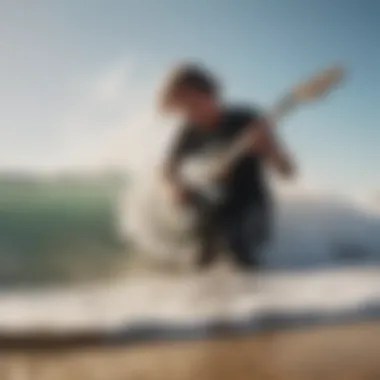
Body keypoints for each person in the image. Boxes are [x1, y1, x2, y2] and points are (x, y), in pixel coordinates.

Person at [159, 62, 296, 270]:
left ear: (212, 94)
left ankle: (257, 298)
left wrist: (268, 149)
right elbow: (168, 166)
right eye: (183, 110)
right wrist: (175, 187)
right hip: (216, 208)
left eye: (193, 105)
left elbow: (287, 171)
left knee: (237, 246)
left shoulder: (246, 120)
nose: (189, 115)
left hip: (252, 208)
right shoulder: (190, 130)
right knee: (201, 257)